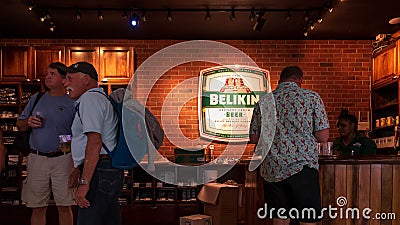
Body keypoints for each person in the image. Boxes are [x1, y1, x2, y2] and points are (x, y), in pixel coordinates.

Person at [249, 66, 330, 224]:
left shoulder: (264, 101)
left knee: (280, 218)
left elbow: (254, 138)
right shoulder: (312, 97)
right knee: (307, 219)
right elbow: (323, 136)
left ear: (280, 80)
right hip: (302, 167)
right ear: (299, 80)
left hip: (272, 169)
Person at [63, 62, 123, 225]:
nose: (65, 83)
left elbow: (94, 142)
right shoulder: (100, 98)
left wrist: (84, 182)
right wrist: (78, 168)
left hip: (99, 171)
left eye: (70, 78)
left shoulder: (90, 99)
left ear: (86, 79)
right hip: (106, 169)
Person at [16, 62, 75, 225]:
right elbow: (19, 124)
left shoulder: (73, 101)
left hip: (64, 159)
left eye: (53, 74)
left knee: (65, 205)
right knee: (37, 206)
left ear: (64, 79)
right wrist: (27, 122)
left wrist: (67, 144)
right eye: (47, 73)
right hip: (37, 159)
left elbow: (78, 132)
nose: (47, 77)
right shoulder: (37, 98)